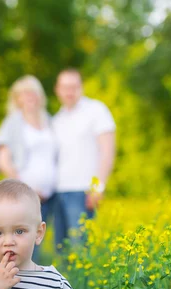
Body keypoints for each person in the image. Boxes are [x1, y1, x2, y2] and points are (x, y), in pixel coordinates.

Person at [52, 68, 116, 250]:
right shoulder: (57, 119)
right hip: (58, 193)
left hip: (83, 192)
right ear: (57, 89)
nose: (69, 91)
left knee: (81, 252)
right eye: (65, 87)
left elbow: (107, 150)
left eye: (74, 86)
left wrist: (98, 187)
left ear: (81, 87)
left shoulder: (96, 110)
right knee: (62, 252)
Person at [0, 75, 57, 235]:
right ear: (17, 99)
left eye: (33, 93)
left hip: (52, 196)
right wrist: (27, 189)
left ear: (40, 96)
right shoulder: (13, 122)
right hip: (25, 196)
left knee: (46, 240)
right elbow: (2, 160)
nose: (29, 97)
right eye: (24, 94)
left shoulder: (49, 120)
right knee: (26, 243)